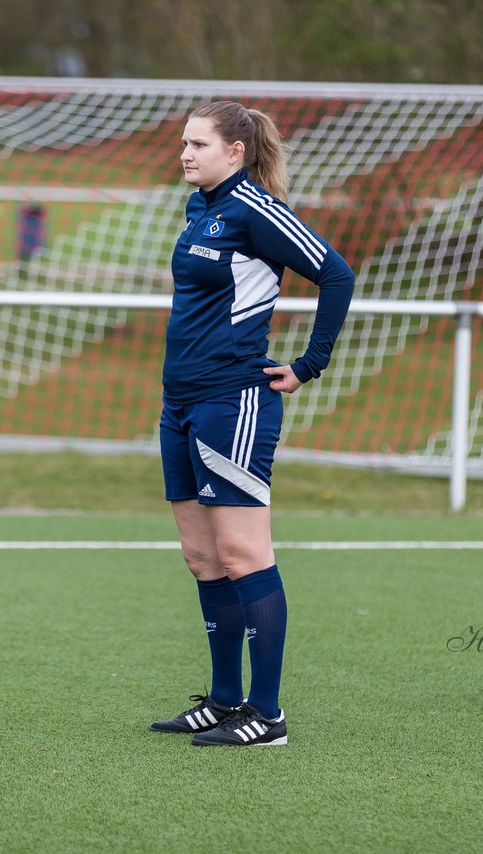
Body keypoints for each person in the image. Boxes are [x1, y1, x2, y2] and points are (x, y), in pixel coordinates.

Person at [148, 101, 355, 747]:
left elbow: (335, 273)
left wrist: (308, 365)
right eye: (183, 143)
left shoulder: (254, 209)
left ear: (234, 151)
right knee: (202, 556)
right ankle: (224, 698)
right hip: (180, 403)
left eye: (198, 144)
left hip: (233, 401)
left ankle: (267, 716)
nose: (185, 153)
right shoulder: (200, 208)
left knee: (242, 554)